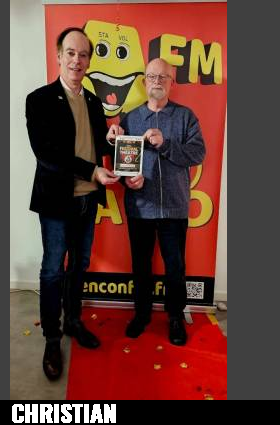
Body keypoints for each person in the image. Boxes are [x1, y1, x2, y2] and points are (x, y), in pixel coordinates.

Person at [26, 27, 119, 380]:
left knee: (79, 264)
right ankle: (52, 338)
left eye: (83, 55)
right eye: (70, 53)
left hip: (88, 200)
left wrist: (112, 139)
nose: (77, 60)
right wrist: (93, 171)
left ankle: (73, 321)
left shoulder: (94, 101)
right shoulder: (39, 99)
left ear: (88, 61)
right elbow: (47, 153)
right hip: (56, 202)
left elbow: (98, 146)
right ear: (58, 55)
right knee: (53, 269)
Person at [106, 58, 205, 346]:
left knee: (175, 266)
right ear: (144, 82)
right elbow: (120, 161)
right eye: (152, 76)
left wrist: (166, 143)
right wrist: (127, 181)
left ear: (172, 82)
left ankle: (175, 317)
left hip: (174, 207)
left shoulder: (185, 116)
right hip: (140, 207)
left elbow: (198, 153)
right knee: (141, 265)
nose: (157, 82)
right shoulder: (130, 119)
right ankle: (142, 314)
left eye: (163, 77)